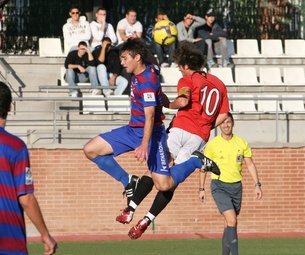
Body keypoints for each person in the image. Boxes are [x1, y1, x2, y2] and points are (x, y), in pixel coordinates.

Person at [83, 38, 220, 221]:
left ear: (137, 57)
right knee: (90, 149)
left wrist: (144, 145)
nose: (121, 63)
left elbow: (150, 116)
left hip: (151, 135)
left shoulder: (147, 81)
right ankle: (129, 181)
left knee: (164, 185)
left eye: (124, 58)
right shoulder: (148, 69)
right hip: (132, 130)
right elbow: (158, 91)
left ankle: (196, 161)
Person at [118, 41, 230, 240]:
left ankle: (131, 208)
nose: (179, 69)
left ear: (187, 65)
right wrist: (204, 127)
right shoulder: (219, 85)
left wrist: (168, 103)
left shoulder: (188, 79)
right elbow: (223, 115)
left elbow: (183, 101)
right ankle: (146, 219)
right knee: (170, 181)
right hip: (199, 137)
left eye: (179, 66)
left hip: (180, 129)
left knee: (156, 169)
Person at [0, 79, 58, 255]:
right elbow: (25, 198)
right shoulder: (15, 146)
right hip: (7, 242)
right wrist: (45, 234)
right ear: (10, 107)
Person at [199, 112, 263, 255]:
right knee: (232, 221)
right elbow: (204, 167)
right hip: (219, 186)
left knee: (229, 224)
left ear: (233, 123)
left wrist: (257, 185)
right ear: (219, 124)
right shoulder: (213, 144)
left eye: (228, 122)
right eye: (223, 122)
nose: (226, 125)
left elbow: (250, 164)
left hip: (236, 187)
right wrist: (201, 188)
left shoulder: (242, 142)